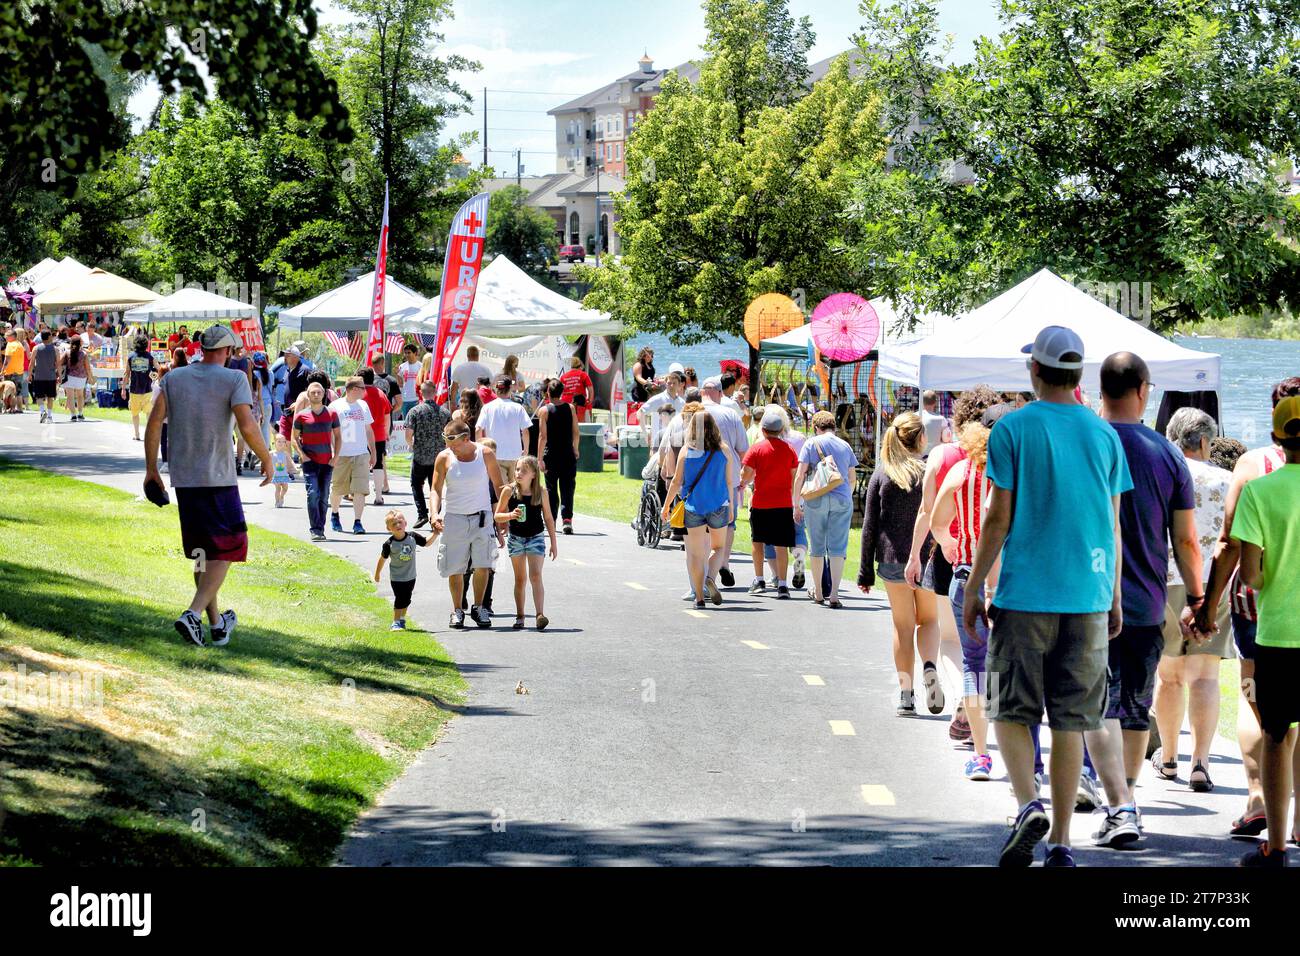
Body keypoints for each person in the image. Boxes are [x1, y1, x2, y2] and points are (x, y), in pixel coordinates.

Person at [962, 326, 1132, 868]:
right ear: (1078, 375)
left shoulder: (1013, 428)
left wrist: (973, 585)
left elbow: (997, 517)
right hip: (1087, 596)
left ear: (1034, 371)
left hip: (1025, 595)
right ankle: (1060, 841)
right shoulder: (1106, 436)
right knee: (1071, 722)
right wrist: (1115, 597)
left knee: (1011, 708)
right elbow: (1113, 525)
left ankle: (1025, 802)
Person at [1081, 351, 1202, 850]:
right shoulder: (1168, 453)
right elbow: (1187, 541)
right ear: (1143, 390)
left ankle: (1118, 806)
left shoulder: (1086, 443)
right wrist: (1196, 596)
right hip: (1147, 602)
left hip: (1085, 600)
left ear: (1101, 389)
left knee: (1095, 706)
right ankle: (1126, 800)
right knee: (1134, 707)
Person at [1197, 376, 1300, 841]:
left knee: (1260, 710)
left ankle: (1261, 808)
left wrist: (1207, 605)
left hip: (1267, 618)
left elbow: (1234, 549)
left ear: (1274, 424)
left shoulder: (1255, 469)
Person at [143, 325, 273, 647]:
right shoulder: (234, 379)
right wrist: (267, 459)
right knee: (230, 547)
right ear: (228, 351)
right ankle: (193, 613)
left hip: (184, 479)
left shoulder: (174, 378)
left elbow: (154, 422)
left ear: (202, 348)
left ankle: (216, 626)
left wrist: (151, 470)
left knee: (203, 552)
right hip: (217, 477)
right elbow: (247, 424)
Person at [1224, 395, 1300, 866]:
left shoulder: (1260, 491)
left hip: (1278, 633)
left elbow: (1250, 575)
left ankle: (1274, 844)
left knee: (1276, 736)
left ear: (1276, 439)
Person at [903, 385, 1002, 735]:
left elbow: (927, 511)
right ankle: (975, 706)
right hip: (995, 562)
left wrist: (921, 552)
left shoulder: (946, 456)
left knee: (954, 638)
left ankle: (966, 697)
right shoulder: (1007, 461)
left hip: (953, 557)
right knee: (988, 648)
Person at [1150, 408, 1232, 791]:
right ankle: (1201, 762)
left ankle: (1168, 758)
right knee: (1205, 675)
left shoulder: (1160, 474)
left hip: (1165, 579)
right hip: (1214, 582)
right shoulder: (1228, 480)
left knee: (1169, 677)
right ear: (1204, 442)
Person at [930, 405, 1006, 781]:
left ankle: (981, 755)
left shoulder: (962, 471)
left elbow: (937, 520)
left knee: (975, 666)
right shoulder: (1021, 476)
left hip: (966, 578)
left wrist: (951, 545)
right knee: (1013, 666)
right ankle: (1028, 757)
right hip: (1014, 585)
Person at [859, 412, 939, 717]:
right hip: (927, 557)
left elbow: (869, 526)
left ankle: (906, 694)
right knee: (929, 621)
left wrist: (865, 571)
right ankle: (930, 666)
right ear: (919, 439)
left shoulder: (882, 474)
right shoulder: (928, 472)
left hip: (892, 561)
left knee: (902, 627)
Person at [431, 419, 504, 629]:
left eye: (453, 442)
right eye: (446, 441)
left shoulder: (485, 454)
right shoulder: (444, 457)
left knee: (483, 565)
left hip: (482, 517)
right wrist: (434, 514)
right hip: (454, 518)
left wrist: (502, 515)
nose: (449, 447)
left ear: (466, 438)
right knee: (455, 567)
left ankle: (479, 607)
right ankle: (457, 610)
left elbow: (499, 487)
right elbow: (435, 489)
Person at [661, 403, 734, 610]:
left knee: (694, 553)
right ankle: (711, 576)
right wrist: (732, 505)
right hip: (719, 505)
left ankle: (699, 596)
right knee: (718, 547)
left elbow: (676, 481)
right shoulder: (724, 450)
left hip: (693, 507)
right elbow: (729, 481)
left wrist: (666, 506)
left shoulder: (686, 450)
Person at [795, 410, 859, 606]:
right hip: (841, 499)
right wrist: (846, 496)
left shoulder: (811, 443)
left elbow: (800, 475)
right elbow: (852, 478)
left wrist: (796, 503)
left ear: (816, 427)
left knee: (817, 547)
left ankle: (819, 592)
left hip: (816, 499)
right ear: (834, 426)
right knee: (838, 548)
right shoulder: (845, 445)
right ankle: (835, 595)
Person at [494, 456, 558, 630]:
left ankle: (539, 615)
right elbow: (497, 515)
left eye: (523, 470)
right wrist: (509, 516)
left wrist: (553, 541)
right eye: (517, 469)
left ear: (534, 475)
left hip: (536, 537)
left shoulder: (541, 492)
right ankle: (520, 615)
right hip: (516, 538)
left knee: (536, 575)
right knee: (520, 579)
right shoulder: (509, 491)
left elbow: (549, 518)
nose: (518, 473)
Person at [741, 408, 798, 598]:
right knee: (781, 545)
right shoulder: (789, 450)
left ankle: (759, 580)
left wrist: (745, 483)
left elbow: (746, 475)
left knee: (758, 542)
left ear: (763, 430)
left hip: (761, 503)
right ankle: (782, 584)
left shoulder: (756, 449)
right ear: (781, 430)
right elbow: (793, 476)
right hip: (783, 503)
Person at [700, 377, 750, 588]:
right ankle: (724, 562)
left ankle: (705, 566)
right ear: (720, 393)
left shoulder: (694, 412)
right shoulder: (731, 414)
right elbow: (743, 450)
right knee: (728, 522)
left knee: (701, 524)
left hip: (700, 477)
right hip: (728, 476)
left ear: (703, 392)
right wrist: (745, 477)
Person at [291, 382, 341, 541]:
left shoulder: (331, 414)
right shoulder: (301, 416)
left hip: (327, 462)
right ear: (308, 394)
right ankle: (315, 529)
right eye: (313, 392)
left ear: (324, 394)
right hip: (309, 462)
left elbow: (338, 437)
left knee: (324, 495)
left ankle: (320, 527)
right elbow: (294, 437)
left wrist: (336, 457)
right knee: (313, 493)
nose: (316, 395)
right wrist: (301, 454)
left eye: (319, 392)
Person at [327, 377, 377, 535]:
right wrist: (332, 451)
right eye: (363, 388)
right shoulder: (335, 406)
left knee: (360, 489)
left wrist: (373, 452)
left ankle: (358, 521)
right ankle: (335, 514)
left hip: (361, 453)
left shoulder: (363, 405)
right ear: (354, 389)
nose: (365, 390)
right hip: (341, 454)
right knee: (338, 488)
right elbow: (329, 431)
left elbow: (368, 429)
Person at [374, 510, 436, 632]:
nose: (398, 525)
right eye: (394, 524)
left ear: (405, 523)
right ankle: (395, 622)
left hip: (411, 576)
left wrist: (436, 533)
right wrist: (377, 574)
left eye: (400, 522)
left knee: (407, 598)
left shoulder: (412, 537)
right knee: (400, 598)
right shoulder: (389, 544)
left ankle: (402, 619)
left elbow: (426, 543)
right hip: (397, 577)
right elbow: (382, 559)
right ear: (388, 528)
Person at [405, 381, 451, 529]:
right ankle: (435, 515)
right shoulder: (444, 413)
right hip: (439, 457)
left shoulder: (415, 411)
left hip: (420, 456)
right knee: (435, 487)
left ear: (421, 393)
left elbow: (408, 434)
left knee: (416, 484)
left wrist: (412, 445)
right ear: (435, 392)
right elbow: (450, 434)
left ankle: (422, 514)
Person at [538, 379, 579, 535]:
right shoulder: (570, 408)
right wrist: (576, 448)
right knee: (568, 487)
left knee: (550, 489)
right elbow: (576, 431)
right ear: (562, 392)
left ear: (548, 392)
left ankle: (551, 519)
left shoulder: (544, 411)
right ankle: (567, 519)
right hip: (567, 453)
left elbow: (543, 436)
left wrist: (540, 458)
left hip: (551, 455)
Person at [477, 375, 532, 487]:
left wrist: (480, 448)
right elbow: (525, 431)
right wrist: (525, 450)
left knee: (500, 490)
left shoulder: (487, 407)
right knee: (515, 489)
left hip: (494, 455)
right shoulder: (518, 408)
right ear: (510, 389)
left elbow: (478, 429)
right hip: (515, 454)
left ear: (497, 389)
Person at [359, 367, 393, 506]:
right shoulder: (380, 393)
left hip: (360, 435)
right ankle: (379, 495)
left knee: (360, 465)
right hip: (378, 434)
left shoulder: (357, 394)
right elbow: (387, 415)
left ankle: (358, 493)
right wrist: (386, 432)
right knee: (378, 464)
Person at [120, 335, 156, 441]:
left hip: (134, 390)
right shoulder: (150, 357)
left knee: (135, 414)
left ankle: (137, 434)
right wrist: (155, 377)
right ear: (146, 344)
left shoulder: (131, 357)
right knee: (149, 413)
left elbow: (126, 374)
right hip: (147, 390)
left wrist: (123, 389)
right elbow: (159, 369)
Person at [640, 370, 685, 449]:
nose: (671, 385)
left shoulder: (682, 403)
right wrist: (645, 433)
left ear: (679, 385)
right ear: (665, 384)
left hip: (676, 442)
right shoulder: (657, 399)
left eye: (674, 383)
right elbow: (640, 412)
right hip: (658, 441)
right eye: (669, 383)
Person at [60, 334, 94, 421]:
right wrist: (90, 377)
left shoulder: (67, 352)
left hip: (69, 377)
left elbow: (59, 362)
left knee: (70, 397)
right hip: (81, 377)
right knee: (80, 396)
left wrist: (59, 374)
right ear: (80, 343)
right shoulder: (84, 354)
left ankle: (73, 415)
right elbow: (87, 367)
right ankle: (80, 413)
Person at [29, 329, 59, 424]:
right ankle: (49, 416)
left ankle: (42, 411)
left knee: (39, 396)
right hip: (51, 376)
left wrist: (29, 374)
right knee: (50, 397)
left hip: (39, 376)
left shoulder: (36, 348)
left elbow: (32, 362)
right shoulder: (55, 349)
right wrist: (60, 376)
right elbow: (58, 364)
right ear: (49, 337)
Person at [279, 346, 311, 434]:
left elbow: (312, 391)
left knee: (298, 443)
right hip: (286, 412)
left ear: (296, 357)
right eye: (285, 355)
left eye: (287, 355)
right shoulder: (287, 370)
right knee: (283, 440)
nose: (284, 357)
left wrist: (298, 403)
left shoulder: (305, 371)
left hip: (300, 413)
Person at [560, 356, 595, 423]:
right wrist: (589, 401)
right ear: (580, 366)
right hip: (579, 404)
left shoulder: (563, 376)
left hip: (566, 404)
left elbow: (560, 391)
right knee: (581, 425)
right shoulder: (583, 374)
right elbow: (590, 389)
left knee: (567, 424)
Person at [269, 434, 298, 507]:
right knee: (278, 488)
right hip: (276, 475)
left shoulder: (285, 453)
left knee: (285, 488)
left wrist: (294, 467)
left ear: (285, 443)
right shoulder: (272, 453)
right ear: (275, 442)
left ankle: (281, 496)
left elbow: (291, 461)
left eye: (283, 442)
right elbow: (266, 461)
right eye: (279, 441)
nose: (281, 443)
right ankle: (277, 501)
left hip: (284, 474)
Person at [396, 344, 422, 417]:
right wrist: (397, 374)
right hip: (405, 399)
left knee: (417, 422)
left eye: (409, 352)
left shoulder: (421, 366)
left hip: (417, 399)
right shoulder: (402, 366)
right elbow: (400, 384)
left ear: (415, 353)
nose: (407, 355)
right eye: (405, 353)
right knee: (406, 422)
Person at [2, 328, 24, 406]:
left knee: (9, 392)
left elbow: (7, 360)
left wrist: (2, 371)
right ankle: (19, 408)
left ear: (12, 336)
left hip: (10, 372)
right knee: (18, 391)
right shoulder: (19, 344)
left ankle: (10, 408)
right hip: (20, 371)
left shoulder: (10, 345)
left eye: (7, 336)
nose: (5, 338)